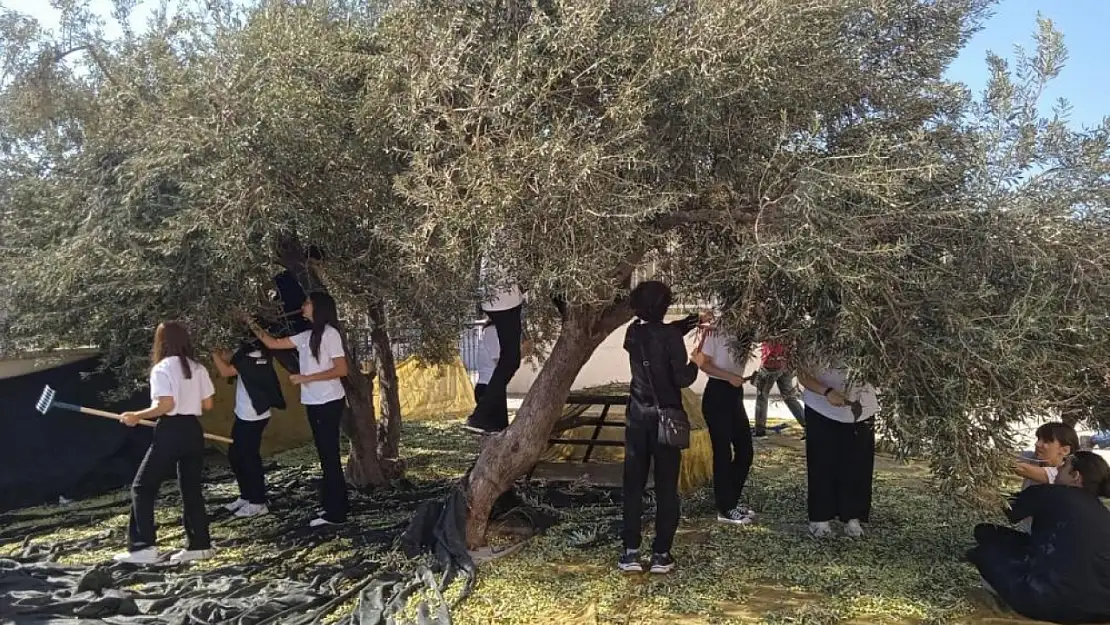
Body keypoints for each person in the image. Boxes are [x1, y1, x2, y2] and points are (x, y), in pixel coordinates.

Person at [114, 321, 216, 565]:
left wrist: (136, 416)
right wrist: (187, 401)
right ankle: (200, 544)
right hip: (193, 430)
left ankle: (143, 546)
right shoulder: (198, 367)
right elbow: (208, 405)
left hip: (171, 431)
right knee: (191, 489)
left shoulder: (162, 369)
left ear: (161, 341)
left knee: (142, 487)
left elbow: (166, 405)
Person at [968, 451, 1110, 624]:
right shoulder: (1103, 512)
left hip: (1047, 603)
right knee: (988, 533)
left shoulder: (1050, 492)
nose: (1057, 469)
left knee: (983, 551)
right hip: (1102, 608)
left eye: (1064, 465)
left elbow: (1006, 507)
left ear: (1075, 476)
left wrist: (976, 489)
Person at [619, 281, 701, 575]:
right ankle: (661, 554)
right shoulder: (669, 337)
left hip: (638, 419)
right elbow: (682, 379)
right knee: (667, 488)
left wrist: (686, 324)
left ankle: (630, 552)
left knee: (634, 485)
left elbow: (655, 336)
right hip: (667, 420)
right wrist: (697, 362)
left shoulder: (632, 334)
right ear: (664, 306)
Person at [249, 291, 350, 527]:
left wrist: (307, 378)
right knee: (324, 456)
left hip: (328, 401)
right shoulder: (306, 336)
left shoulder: (330, 334)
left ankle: (337, 513)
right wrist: (249, 321)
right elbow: (272, 343)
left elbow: (341, 369)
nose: (302, 306)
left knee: (330, 455)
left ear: (318, 307)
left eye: (307, 303)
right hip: (313, 402)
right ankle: (330, 504)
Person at [797, 359, 880, 538]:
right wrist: (826, 392)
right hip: (822, 408)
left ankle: (852, 517)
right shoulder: (812, 337)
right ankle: (820, 519)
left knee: (857, 465)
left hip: (862, 409)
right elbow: (802, 374)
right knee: (822, 464)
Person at [212, 336, 286, 518]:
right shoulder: (253, 355)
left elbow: (226, 371)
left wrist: (212, 353)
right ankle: (246, 495)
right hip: (246, 412)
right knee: (236, 454)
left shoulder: (253, 356)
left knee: (248, 457)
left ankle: (258, 502)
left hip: (253, 414)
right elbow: (231, 359)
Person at [694, 321, 757, 525]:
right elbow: (703, 363)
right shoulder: (715, 331)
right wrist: (729, 376)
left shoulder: (746, 330)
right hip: (718, 393)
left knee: (745, 450)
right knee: (722, 453)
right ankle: (725, 508)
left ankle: (731, 500)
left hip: (734, 393)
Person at [464, 256, 522, 434]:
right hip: (506, 300)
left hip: (493, 297)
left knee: (511, 359)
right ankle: (479, 416)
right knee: (511, 359)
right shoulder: (490, 332)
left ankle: (480, 417)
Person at [753, 340, 806, 438]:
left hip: (771, 362)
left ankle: (760, 430)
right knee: (789, 397)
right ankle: (807, 425)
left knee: (762, 396)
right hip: (786, 362)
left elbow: (760, 338)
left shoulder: (770, 328)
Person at [472, 318, 509, 429]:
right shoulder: (492, 332)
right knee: (496, 430)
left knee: (496, 430)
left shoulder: (491, 332)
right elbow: (499, 361)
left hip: (490, 386)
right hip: (488, 387)